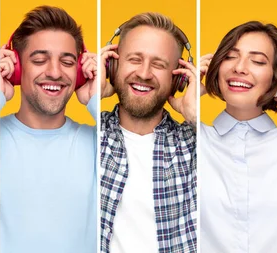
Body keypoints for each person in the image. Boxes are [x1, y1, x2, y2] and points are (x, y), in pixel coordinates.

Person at [0, 5, 98, 253]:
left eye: (67, 62)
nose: (54, 72)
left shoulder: (99, 142)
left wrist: (93, 99)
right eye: (40, 60)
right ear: (17, 69)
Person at [99, 12, 197, 253]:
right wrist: (93, 95)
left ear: (178, 80)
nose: (144, 73)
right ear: (112, 65)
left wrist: (194, 114)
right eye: (134, 59)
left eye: (158, 64)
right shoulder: (84, 137)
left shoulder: (199, 145)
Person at [199, 21, 277, 253]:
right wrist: (189, 102)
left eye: (258, 61)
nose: (240, 68)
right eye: (230, 57)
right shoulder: (189, 140)